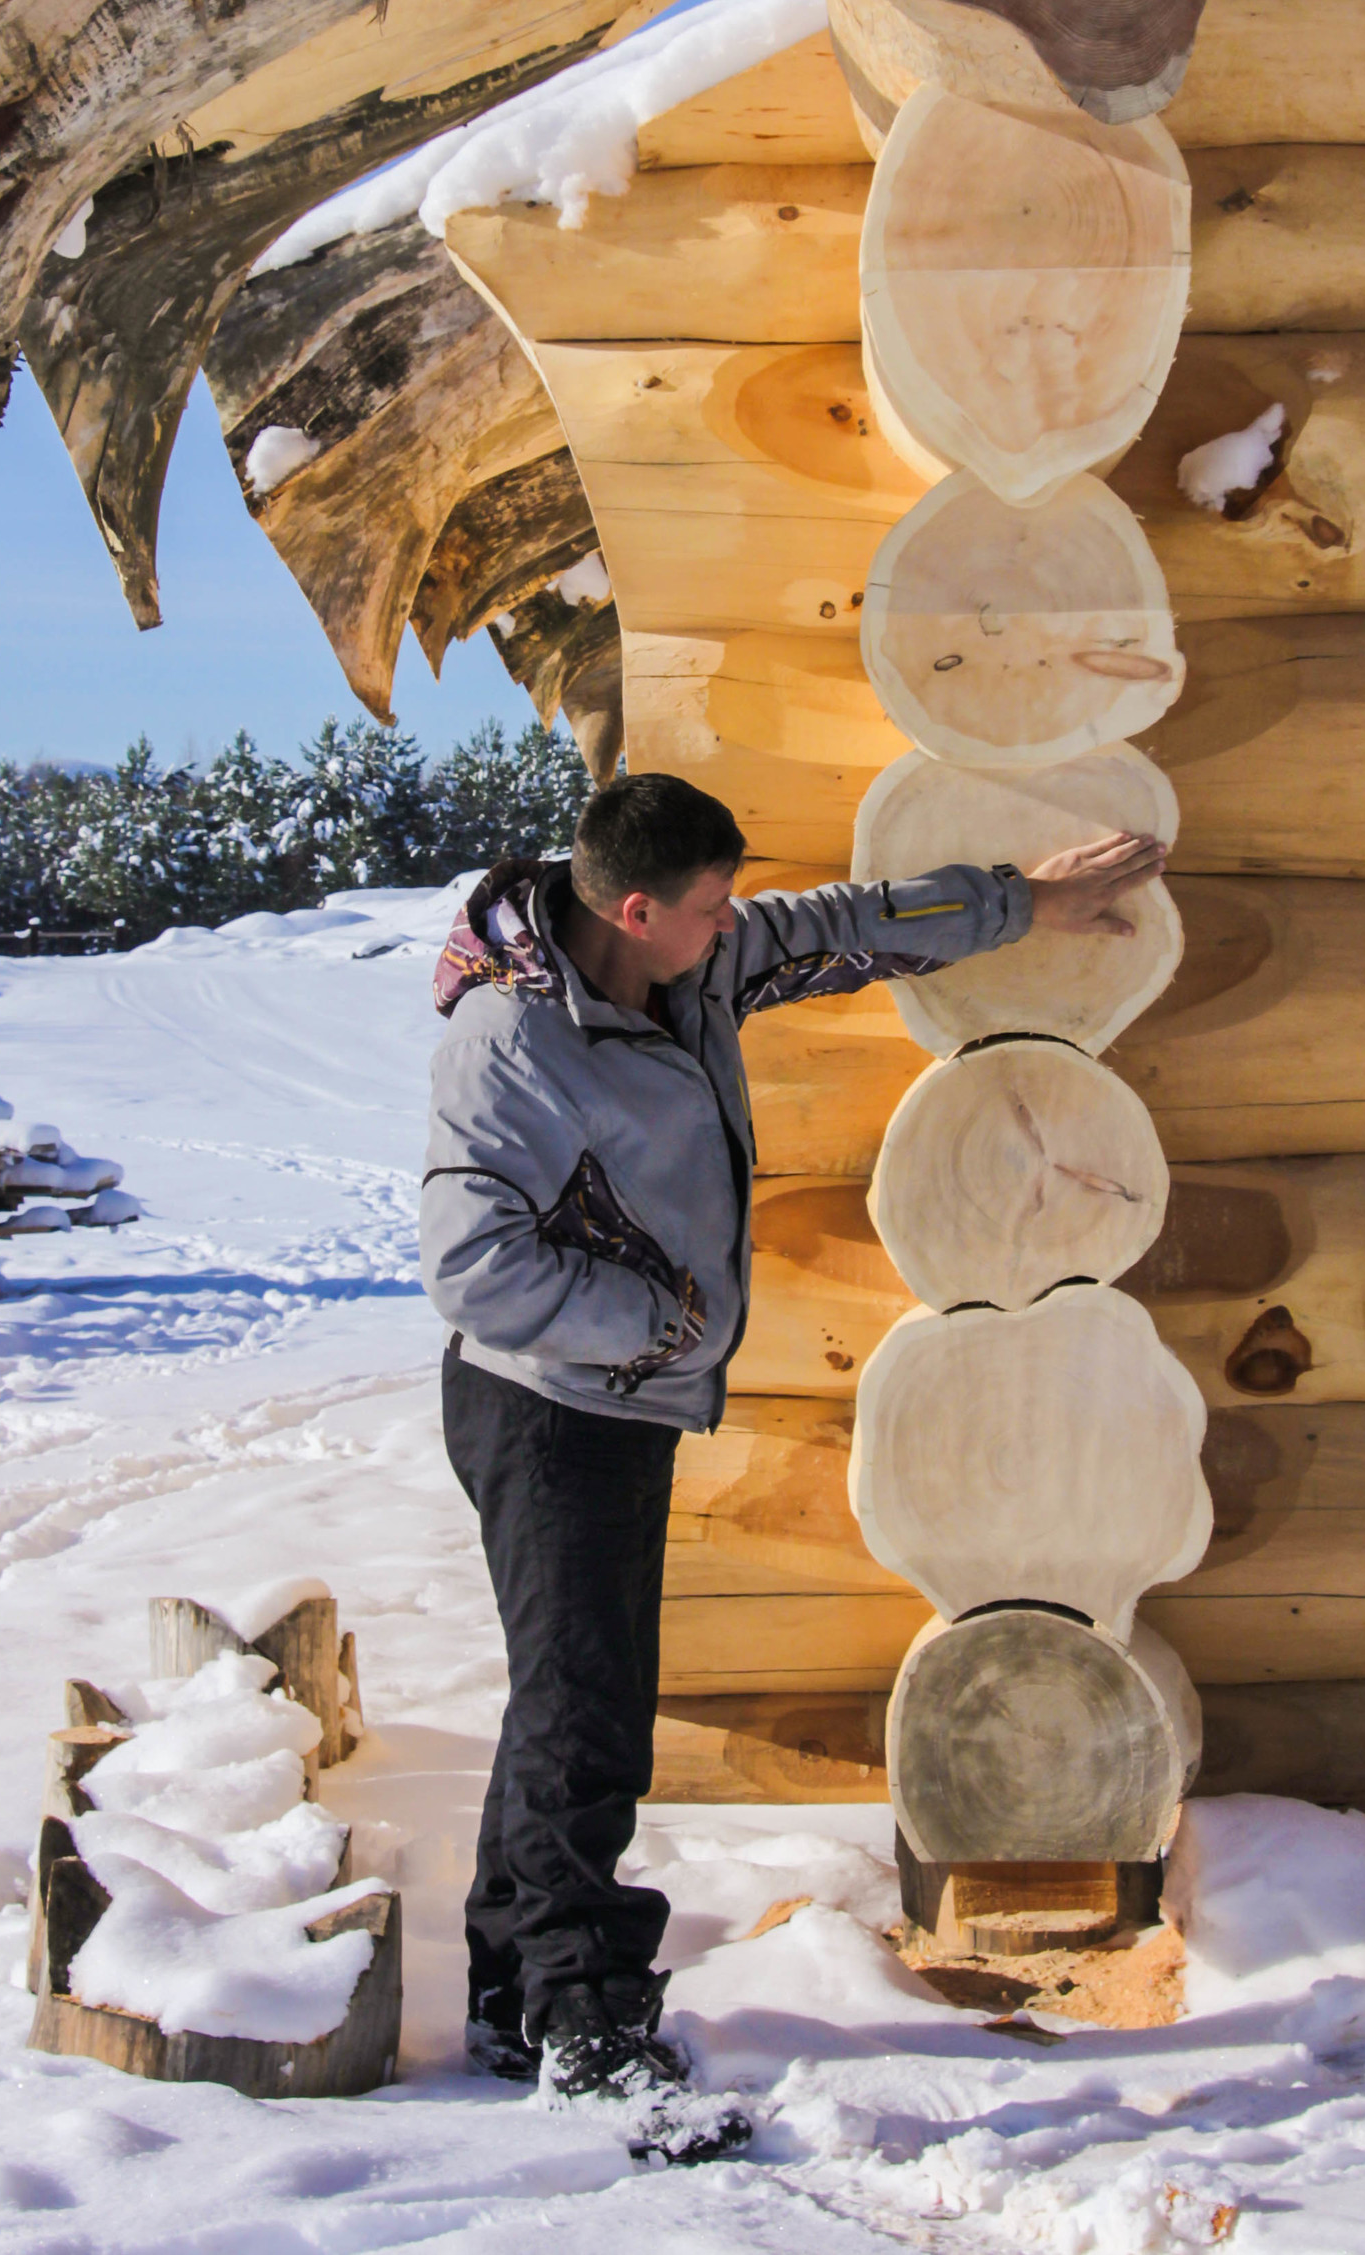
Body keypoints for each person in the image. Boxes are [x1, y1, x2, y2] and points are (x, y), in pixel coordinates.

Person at [420, 771, 1164, 2153]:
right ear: (633, 909)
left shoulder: (682, 970)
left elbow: (848, 925)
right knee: (589, 1723)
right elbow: (473, 1269)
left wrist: (1027, 903)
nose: (730, 927)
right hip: (547, 1415)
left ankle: (513, 1996)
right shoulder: (514, 1046)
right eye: (709, 910)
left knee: (564, 1702)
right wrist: (666, 1320)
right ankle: (589, 2035)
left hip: (619, 1405)